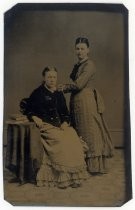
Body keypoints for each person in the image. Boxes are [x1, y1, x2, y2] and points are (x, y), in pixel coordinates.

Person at [25, 66, 89, 188]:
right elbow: (28, 109)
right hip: (46, 126)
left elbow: (65, 113)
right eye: (49, 77)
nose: (52, 79)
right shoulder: (37, 93)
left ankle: (74, 177)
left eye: (54, 77)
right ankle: (63, 178)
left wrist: (65, 122)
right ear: (44, 78)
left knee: (72, 137)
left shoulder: (59, 94)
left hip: (60, 126)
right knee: (61, 141)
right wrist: (34, 117)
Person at [58, 37, 114, 175]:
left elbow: (79, 84)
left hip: (86, 101)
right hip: (77, 100)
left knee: (89, 131)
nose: (80, 51)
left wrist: (64, 87)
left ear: (88, 50)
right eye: (77, 48)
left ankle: (94, 167)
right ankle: (81, 163)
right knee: (80, 131)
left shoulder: (90, 65)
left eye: (82, 48)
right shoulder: (78, 65)